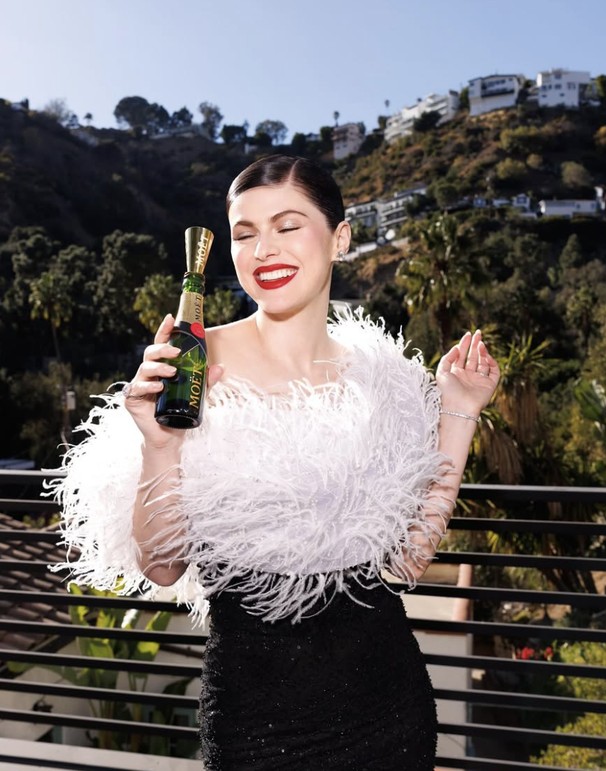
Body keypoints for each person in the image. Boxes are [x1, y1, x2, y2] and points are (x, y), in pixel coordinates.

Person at [52, 155, 499, 770]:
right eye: (245, 233)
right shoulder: (192, 366)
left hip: (389, 705)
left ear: (340, 237)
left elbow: (406, 562)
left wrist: (458, 409)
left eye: (288, 225)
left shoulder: (388, 382)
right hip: (254, 721)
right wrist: (161, 444)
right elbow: (160, 565)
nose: (265, 249)